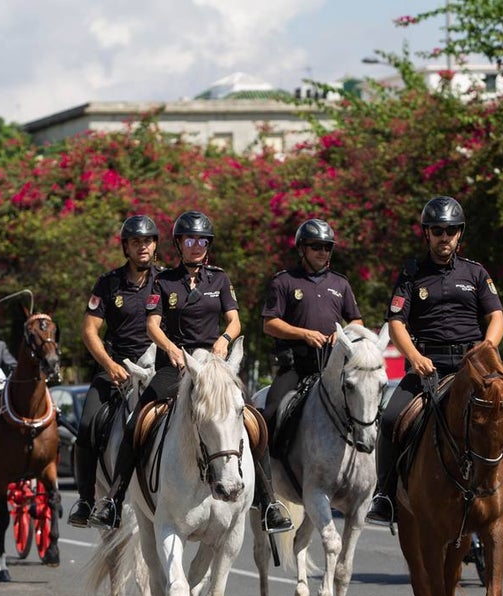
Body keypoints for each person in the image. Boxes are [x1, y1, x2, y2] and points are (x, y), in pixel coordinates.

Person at [87, 210, 291, 533]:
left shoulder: (220, 279)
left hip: (213, 367)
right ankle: (113, 500)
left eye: (201, 241)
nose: (196, 246)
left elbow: (235, 320)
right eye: (189, 240)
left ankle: (267, 503)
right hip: (176, 366)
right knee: (138, 421)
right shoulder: (163, 281)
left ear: (207, 245)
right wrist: (169, 348)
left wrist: (225, 339)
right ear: (179, 244)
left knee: (251, 419)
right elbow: (152, 325)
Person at [366, 196, 503, 532]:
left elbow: (496, 316)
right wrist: (414, 357)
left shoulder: (476, 272)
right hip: (428, 365)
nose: (445, 237)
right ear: (426, 233)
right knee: (392, 418)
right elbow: (396, 323)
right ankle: (385, 495)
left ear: (459, 234)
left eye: (451, 230)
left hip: (475, 366)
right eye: (437, 230)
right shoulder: (412, 274)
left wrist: (488, 345)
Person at [67, 214, 163, 528]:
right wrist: (109, 365)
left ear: (155, 245)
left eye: (148, 241)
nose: (143, 247)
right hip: (117, 370)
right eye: (136, 242)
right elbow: (90, 331)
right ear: (126, 247)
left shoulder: (166, 281)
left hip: (157, 370)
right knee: (87, 427)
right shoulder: (108, 284)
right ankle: (84, 501)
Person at [262, 218, 363, 433]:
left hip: (332, 364)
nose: (322, 252)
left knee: (364, 407)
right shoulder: (284, 281)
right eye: (316, 246)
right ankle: (267, 466)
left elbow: (357, 321)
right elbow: (269, 324)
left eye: (327, 247)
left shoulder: (340, 283)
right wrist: (304, 334)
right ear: (302, 249)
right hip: (295, 366)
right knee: (270, 413)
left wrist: (344, 333)